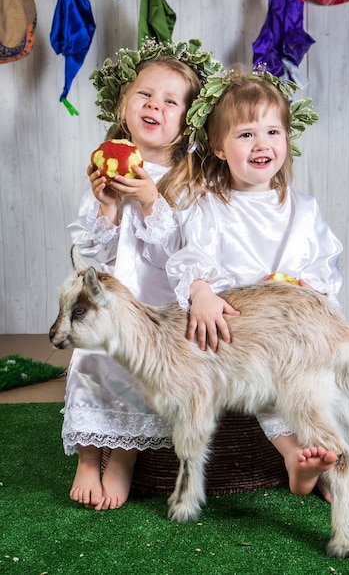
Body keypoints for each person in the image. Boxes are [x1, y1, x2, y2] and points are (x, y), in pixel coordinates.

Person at [165, 69, 343, 501]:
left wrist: (310, 288)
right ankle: (292, 456)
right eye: (246, 135)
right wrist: (202, 292)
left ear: (286, 138)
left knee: (319, 373)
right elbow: (193, 258)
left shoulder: (302, 208)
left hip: (294, 319)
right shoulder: (210, 205)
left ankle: (326, 457)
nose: (262, 144)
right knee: (267, 378)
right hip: (242, 324)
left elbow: (324, 262)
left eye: (272, 131)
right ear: (220, 148)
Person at [63, 39, 223, 511]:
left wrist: (152, 201)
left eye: (170, 101)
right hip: (109, 302)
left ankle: (125, 456)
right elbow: (87, 255)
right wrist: (107, 207)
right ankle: (89, 455)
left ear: (188, 120)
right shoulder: (107, 167)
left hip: (158, 311)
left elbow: (184, 256)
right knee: (91, 360)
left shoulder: (191, 181)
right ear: (125, 105)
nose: (154, 105)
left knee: (140, 372)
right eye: (144, 95)